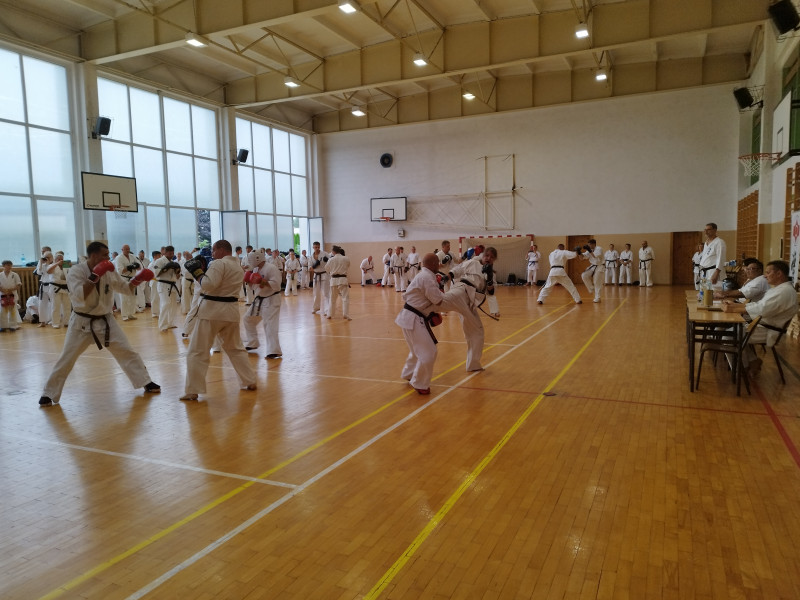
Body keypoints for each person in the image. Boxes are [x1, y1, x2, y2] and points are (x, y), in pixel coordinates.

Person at [38, 241, 159, 406]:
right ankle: (49, 392)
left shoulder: (109, 270)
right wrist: (96, 274)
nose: (108, 258)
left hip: (106, 320)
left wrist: (138, 279)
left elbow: (125, 289)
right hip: (81, 322)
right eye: (105, 255)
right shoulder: (76, 271)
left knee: (126, 351)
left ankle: (145, 381)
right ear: (94, 255)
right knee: (67, 358)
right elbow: (81, 295)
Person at [180, 240, 257, 401]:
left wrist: (198, 273)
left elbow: (208, 285)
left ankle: (193, 390)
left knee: (197, 351)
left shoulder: (218, 263)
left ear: (222, 250)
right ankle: (249, 380)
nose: (212, 253)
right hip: (231, 312)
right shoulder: (237, 266)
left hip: (212, 312)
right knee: (236, 348)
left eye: (214, 250)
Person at [722, 260, 798, 375]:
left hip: (769, 330)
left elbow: (762, 309)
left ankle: (741, 370)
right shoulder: (780, 289)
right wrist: (735, 306)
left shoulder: (784, 291)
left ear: (779, 274)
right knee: (732, 331)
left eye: (768, 272)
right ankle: (753, 361)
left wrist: (734, 308)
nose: (765, 276)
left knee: (728, 336)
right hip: (764, 325)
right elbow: (760, 305)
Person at [440, 247, 498, 372]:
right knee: (440, 302)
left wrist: (489, 279)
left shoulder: (492, 274)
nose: (488, 258)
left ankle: (473, 365)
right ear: (482, 256)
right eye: (487, 255)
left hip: (470, 304)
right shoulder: (473, 263)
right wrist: (447, 277)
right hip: (462, 291)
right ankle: (417, 307)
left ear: (494, 260)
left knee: (478, 332)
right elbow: (459, 269)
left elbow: (491, 293)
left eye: (492, 257)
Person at [396, 253, 446, 394]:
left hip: (408, 317)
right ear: (433, 264)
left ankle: (409, 373)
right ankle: (419, 383)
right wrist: (441, 289)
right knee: (429, 352)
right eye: (437, 262)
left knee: (416, 350)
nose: (439, 265)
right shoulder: (427, 278)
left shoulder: (424, 275)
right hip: (414, 319)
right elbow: (438, 300)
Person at [243, 250, 283, 359]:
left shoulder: (271, 268)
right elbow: (254, 287)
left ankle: (274, 350)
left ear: (257, 258)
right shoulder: (256, 269)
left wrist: (262, 281)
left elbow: (277, 285)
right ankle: (252, 342)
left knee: (269, 324)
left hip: (271, 299)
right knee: (248, 319)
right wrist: (249, 281)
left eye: (251, 259)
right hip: (259, 299)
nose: (250, 261)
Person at [151, 246, 181, 331]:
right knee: (165, 304)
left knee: (173, 305)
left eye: (173, 253)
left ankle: (170, 323)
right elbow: (156, 274)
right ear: (165, 252)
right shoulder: (159, 261)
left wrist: (177, 271)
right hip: (163, 285)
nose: (172, 255)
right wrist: (166, 268)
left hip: (172, 285)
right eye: (170, 253)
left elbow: (177, 276)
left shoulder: (173, 262)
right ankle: (162, 325)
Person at [113, 244, 142, 321]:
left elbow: (139, 267)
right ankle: (124, 315)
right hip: (123, 279)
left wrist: (136, 266)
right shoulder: (118, 258)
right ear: (122, 250)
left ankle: (130, 314)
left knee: (132, 298)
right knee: (124, 298)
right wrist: (129, 267)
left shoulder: (132, 256)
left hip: (132, 279)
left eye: (128, 249)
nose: (128, 250)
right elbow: (120, 271)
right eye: (126, 249)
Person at [326, 245, 352, 320]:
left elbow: (327, 269)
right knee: (345, 298)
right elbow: (347, 266)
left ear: (333, 252)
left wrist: (332, 272)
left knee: (332, 298)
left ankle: (330, 314)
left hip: (334, 280)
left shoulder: (331, 259)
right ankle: (345, 314)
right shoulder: (346, 258)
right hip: (343, 280)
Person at [699, 222, 726, 291]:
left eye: (708, 230)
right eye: (705, 230)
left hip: (713, 272)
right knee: (704, 293)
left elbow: (721, 258)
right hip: (705, 272)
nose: (706, 232)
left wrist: (716, 273)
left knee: (714, 293)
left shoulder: (719, 242)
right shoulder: (706, 242)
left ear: (715, 230)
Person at [48, 251, 71, 328]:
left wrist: (71, 266)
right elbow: (48, 271)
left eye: (62, 259)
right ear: (55, 260)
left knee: (67, 306)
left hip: (65, 287)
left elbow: (71, 275)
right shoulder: (52, 265)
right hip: (55, 287)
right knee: (55, 306)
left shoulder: (66, 266)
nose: (61, 260)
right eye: (59, 259)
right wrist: (57, 264)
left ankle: (67, 322)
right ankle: (55, 323)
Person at [0, 260, 22, 332]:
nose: (9, 267)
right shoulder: (0, 275)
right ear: (3, 266)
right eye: (7, 265)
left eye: (10, 265)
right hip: (3, 294)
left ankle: (13, 325)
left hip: (12, 294)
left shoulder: (15, 274)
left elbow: (18, 284)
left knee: (12, 311)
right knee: (3, 311)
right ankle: (3, 326)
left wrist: (11, 290)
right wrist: (3, 290)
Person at [309, 241, 331, 315]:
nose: (317, 248)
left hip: (324, 275)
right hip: (316, 275)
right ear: (313, 247)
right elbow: (310, 268)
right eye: (315, 247)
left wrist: (327, 260)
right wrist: (314, 266)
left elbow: (331, 262)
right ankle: (315, 308)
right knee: (316, 293)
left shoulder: (325, 254)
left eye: (318, 247)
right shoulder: (311, 257)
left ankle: (327, 310)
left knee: (326, 293)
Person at [37, 251, 54, 327]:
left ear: (52, 257)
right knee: (41, 304)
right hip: (43, 285)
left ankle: (54, 320)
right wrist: (41, 263)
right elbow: (39, 272)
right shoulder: (42, 265)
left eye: (48, 257)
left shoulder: (54, 265)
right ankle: (42, 321)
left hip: (51, 286)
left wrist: (48, 264)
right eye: (45, 257)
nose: (47, 258)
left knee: (53, 303)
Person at [149, 250, 161, 318]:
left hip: (159, 282)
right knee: (154, 297)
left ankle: (158, 311)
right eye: (159, 256)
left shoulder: (158, 263)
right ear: (155, 256)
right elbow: (156, 273)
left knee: (159, 297)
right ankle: (154, 312)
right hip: (154, 282)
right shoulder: (152, 264)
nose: (160, 257)